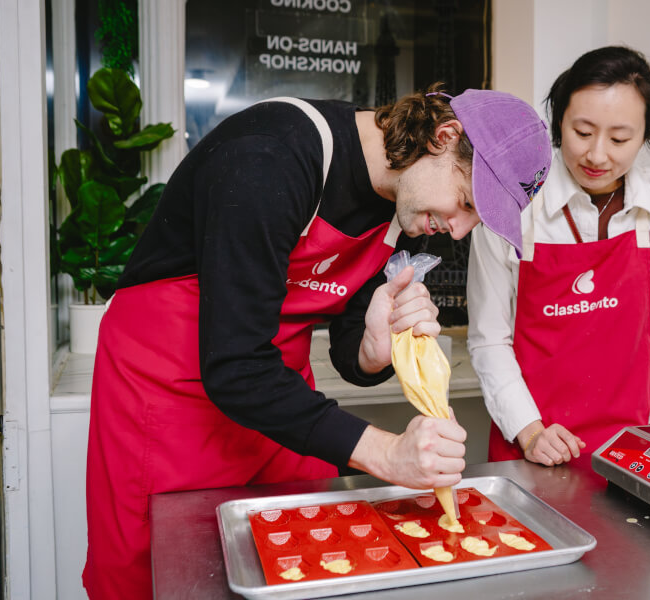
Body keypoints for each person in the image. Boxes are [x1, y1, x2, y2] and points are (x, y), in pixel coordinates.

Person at [82, 84, 552, 598]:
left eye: (475, 221)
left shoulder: (412, 205)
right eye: (466, 202)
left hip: (280, 396)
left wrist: (375, 350)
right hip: (167, 391)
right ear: (443, 137)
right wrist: (387, 453)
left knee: (308, 558)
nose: (457, 231)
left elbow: (347, 346)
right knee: (165, 575)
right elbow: (236, 366)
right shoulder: (271, 156)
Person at [467, 46, 650, 471]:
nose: (596, 155)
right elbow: (489, 338)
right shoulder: (511, 201)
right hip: (533, 449)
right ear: (559, 120)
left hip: (637, 449)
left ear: (645, 134)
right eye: (583, 131)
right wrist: (530, 430)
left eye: (619, 139)